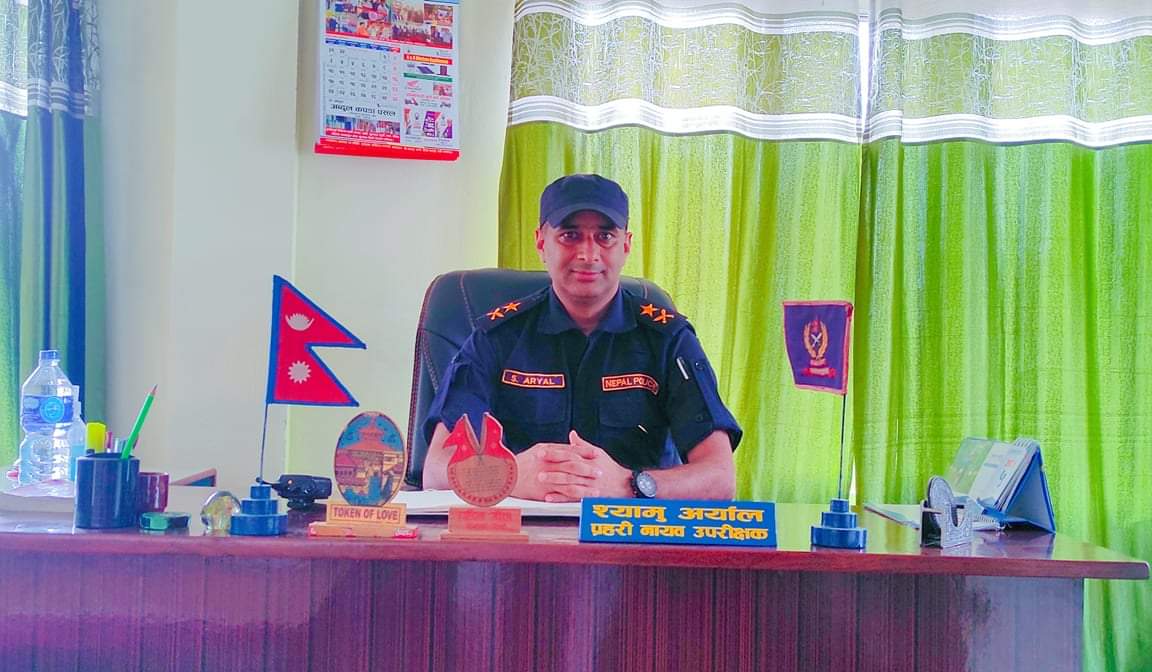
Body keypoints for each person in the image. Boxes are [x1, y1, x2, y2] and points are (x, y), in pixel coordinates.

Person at [422, 174, 742, 501]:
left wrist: (628, 484)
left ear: (626, 245)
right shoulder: (495, 338)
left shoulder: (668, 339)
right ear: (541, 242)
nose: (588, 255)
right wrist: (509, 475)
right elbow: (435, 469)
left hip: (630, 526)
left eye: (605, 236)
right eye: (570, 235)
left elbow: (719, 478)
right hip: (524, 527)